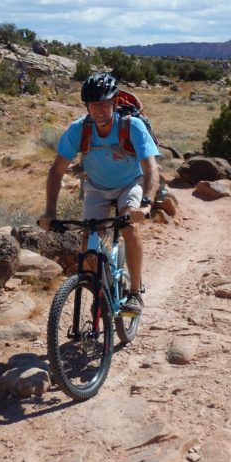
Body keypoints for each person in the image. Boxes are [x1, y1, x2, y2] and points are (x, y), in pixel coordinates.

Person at [38, 72, 160, 316]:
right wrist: (50, 212)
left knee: (129, 227)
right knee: (89, 240)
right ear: (87, 106)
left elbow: (151, 169)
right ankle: (100, 291)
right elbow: (56, 171)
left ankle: (135, 292)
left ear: (115, 102)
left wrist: (145, 205)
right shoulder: (78, 130)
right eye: (93, 104)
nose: (99, 110)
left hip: (130, 183)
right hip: (96, 187)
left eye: (104, 103)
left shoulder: (131, 126)